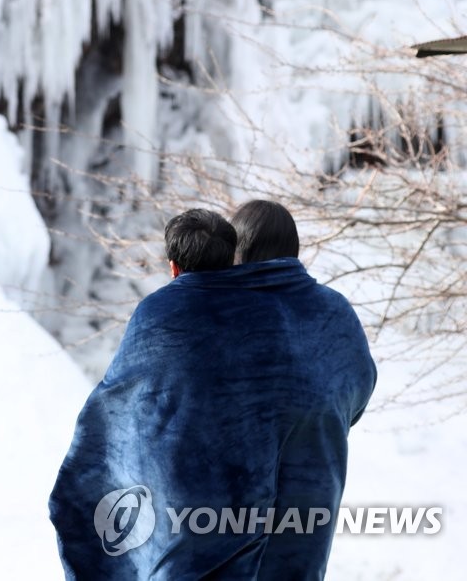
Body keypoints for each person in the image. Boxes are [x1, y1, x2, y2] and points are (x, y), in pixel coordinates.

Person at [49, 205, 376, 580]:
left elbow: (122, 419)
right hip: (304, 524)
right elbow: (357, 391)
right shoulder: (334, 312)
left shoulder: (184, 311)